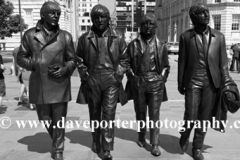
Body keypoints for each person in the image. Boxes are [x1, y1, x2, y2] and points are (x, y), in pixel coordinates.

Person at [17, 2, 76, 160]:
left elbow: (72, 60)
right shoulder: (30, 35)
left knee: (59, 120)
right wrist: (33, 63)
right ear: (43, 15)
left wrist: (65, 69)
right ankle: (58, 138)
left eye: (58, 13)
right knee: (44, 118)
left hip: (60, 84)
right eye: (52, 13)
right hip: (40, 84)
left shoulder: (65, 36)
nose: (56, 15)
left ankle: (58, 149)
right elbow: (20, 58)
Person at [177, 3, 234, 160]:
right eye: (202, 13)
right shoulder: (186, 37)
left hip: (211, 83)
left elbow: (223, 65)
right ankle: (184, 134)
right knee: (191, 115)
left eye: (207, 12)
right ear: (194, 17)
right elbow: (182, 61)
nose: (206, 15)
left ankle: (196, 147)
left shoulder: (219, 37)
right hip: (192, 81)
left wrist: (227, 84)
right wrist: (180, 82)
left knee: (204, 117)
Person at [76, 4, 127, 160]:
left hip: (111, 79)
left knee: (109, 114)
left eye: (103, 16)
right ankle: (95, 140)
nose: (99, 20)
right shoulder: (84, 38)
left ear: (108, 18)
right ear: (92, 19)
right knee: (94, 113)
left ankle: (106, 147)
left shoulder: (118, 37)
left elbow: (124, 59)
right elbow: (78, 60)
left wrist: (117, 76)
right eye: (96, 17)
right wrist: (85, 76)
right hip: (92, 79)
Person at [124, 13, 170, 157]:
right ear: (141, 26)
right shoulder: (133, 44)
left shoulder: (161, 45)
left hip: (155, 83)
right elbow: (125, 62)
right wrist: (132, 76)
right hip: (139, 82)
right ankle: (141, 135)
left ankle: (155, 143)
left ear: (155, 27)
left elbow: (166, 66)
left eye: (151, 24)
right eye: (145, 24)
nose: (148, 26)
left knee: (154, 114)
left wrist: (161, 78)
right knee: (140, 112)